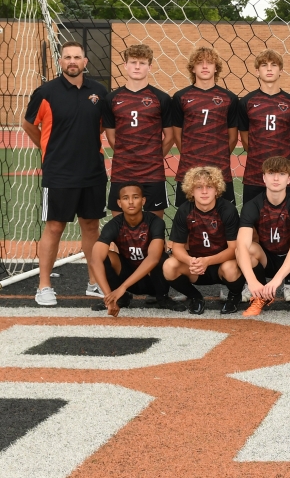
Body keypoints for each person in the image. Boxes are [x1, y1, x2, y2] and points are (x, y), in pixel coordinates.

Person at [22, 40, 107, 306]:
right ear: (61, 62)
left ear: (85, 62)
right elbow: (28, 125)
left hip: (92, 171)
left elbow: (102, 126)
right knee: (55, 226)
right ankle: (44, 286)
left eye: (77, 57)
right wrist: (50, 148)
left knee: (91, 226)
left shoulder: (100, 92)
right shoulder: (46, 92)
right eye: (67, 57)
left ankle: (94, 282)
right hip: (59, 172)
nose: (72, 61)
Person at [236, 156, 290, 318]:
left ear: (289, 179)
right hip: (267, 260)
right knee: (245, 249)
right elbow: (241, 245)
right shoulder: (252, 206)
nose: (276, 178)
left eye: (281, 174)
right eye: (271, 173)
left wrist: (277, 279)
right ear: (264, 177)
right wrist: (251, 281)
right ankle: (259, 296)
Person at [88, 183, 183, 315]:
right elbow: (95, 261)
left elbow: (154, 258)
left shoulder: (155, 222)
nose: (131, 202)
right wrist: (108, 296)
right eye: (126, 198)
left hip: (152, 280)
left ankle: (162, 297)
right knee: (105, 256)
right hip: (127, 274)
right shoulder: (114, 225)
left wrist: (123, 287)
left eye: (136, 197)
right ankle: (120, 299)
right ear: (119, 203)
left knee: (161, 257)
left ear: (143, 201)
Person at [103, 44, 173, 218]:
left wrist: (153, 157)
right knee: (120, 226)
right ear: (125, 65)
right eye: (133, 62)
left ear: (150, 67)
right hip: (122, 171)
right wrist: (127, 156)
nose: (137, 67)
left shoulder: (161, 98)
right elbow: (111, 136)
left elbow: (170, 136)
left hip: (152, 173)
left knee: (155, 226)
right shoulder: (112, 98)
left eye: (142, 63)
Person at [163, 166, 242, 315]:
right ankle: (196, 297)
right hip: (195, 267)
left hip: (221, 265)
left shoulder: (228, 210)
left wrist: (207, 261)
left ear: (217, 190)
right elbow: (177, 247)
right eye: (199, 187)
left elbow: (233, 249)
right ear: (191, 190)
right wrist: (190, 261)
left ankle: (234, 297)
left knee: (231, 268)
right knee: (169, 266)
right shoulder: (184, 210)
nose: (204, 191)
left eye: (209, 187)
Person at [171, 47, 239, 207]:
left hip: (220, 170)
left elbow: (233, 137)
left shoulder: (229, 98)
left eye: (209, 63)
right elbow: (177, 135)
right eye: (200, 63)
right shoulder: (180, 97)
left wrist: (217, 156)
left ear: (216, 67)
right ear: (192, 68)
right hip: (189, 170)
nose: (205, 66)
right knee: (186, 220)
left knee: (225, 220)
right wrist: (192, 156)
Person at [238, 49, 290, 204]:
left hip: (283, 174)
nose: (269, 68)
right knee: (251, 221)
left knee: (285, 220)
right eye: (264, 65)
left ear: (281, 70)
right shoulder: (246, 102)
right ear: (257, 71)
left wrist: (282, 158)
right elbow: (245, 138)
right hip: (254, 174)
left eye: (274, 65)